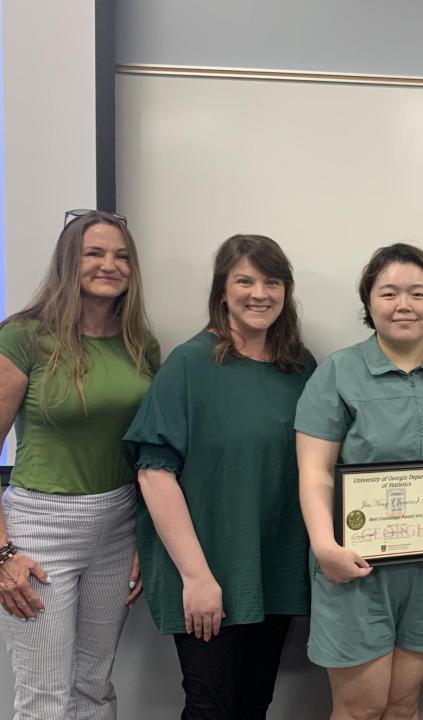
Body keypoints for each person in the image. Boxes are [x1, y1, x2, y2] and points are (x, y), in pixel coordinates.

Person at [124, 235, 316, 720]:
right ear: (222, 291)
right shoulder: (190, 363)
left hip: (272, 567)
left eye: (272, 282)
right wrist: (197, 577)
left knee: (254, 705)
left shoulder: (301, 369)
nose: (260, 293)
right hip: (206, 570)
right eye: (245, 280)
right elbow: (154, 474)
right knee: (212, 707)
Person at [296, 242, 423, 720]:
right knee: (361, 707)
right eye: (389, 293)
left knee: (402, 705)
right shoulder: (337, 372)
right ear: (369, 303)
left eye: (418, 293)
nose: (404, 305)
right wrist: (323, 545)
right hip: (354, 567)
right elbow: (314, 473)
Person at [0, 209, 158, 719]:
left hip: (117, 525)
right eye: (95, 252)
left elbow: (145, 451)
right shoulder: (23, 337)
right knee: (46, 699)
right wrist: (3, 555)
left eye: (121, 256)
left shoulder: (140, 344)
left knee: (93, 688)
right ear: (70, 261)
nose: (109, 264)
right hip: (39, 532)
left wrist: (143, 535)